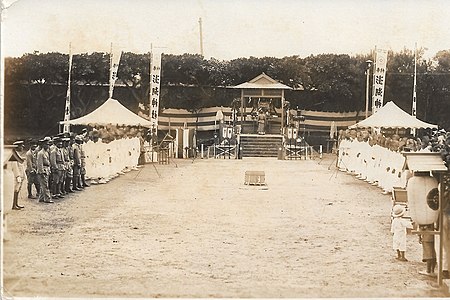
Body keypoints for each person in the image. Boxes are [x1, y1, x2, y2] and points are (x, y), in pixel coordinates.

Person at [36, 137, 54, 203]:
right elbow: (39, 164)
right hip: (43, 171)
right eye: (46, 144)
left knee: (43, 185)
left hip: (47, 170)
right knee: (45, 185)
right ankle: (47, 199)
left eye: (48, 145)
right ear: (43, 145)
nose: (48, 146)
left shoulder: (46, 152)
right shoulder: (40, 153)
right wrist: (42, 172)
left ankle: (41, 198)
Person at [11, 141, 26, 209]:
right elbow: (15, 166)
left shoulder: (17, 154)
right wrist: (17, 176)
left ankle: (16, 204)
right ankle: (13, 205)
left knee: (18, 190)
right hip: (16, 176)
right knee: (15, 190)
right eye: (21, 146)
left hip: (20, 175)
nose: (22, 148)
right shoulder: (14, 155)